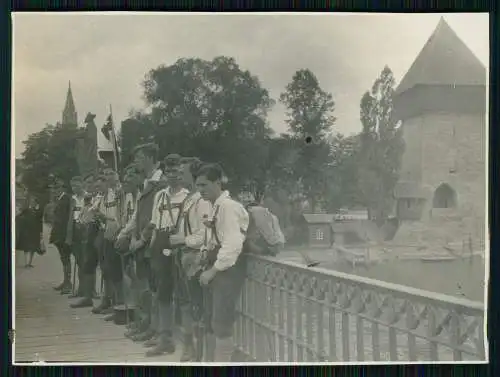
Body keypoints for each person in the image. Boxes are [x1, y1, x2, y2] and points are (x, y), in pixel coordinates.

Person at [195, 163, 249, 362]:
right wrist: (203, 252)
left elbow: (233, 244)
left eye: (205, 185)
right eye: (198, 185)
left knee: (221, 321)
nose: (201, 190)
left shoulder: (228, 206)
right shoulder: (214, 205)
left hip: (228, 269)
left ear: (218, 182)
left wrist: (213, 270)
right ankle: (209, 361)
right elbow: (213, 237)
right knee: (210, 317)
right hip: (216, 265)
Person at [162, 158, 212, 361]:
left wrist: (183, 239)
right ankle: (189, 346)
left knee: (196, 305)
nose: (179, 176)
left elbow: (205, 234)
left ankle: (200, 352)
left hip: (196, 259)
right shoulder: (190, 199)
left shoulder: (202, 201)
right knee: (185, 303)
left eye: (182, 173)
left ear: (194, 175)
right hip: (183, 257)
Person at [114, 143, 165, 340]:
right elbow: (137, 214)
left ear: (151, 158)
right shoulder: (146, 183)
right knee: (144, 287)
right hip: (141, 245)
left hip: (154, 244)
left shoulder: (161, 183)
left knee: (154, 289)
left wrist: (141, 238)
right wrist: (125, 234)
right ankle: (146, 324)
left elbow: (156, 218)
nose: (136, 161)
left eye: (140, 157)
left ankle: (155, 329)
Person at [145, 154, 191, 356]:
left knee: (183, 294)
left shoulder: (188, 196)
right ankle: (165, 339)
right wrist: (152, 246)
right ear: (164, 173)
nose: (173, 175)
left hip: (180, 242)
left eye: (177, 171)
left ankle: (189, 342)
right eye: (169, 171)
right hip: (161, 242)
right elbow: (155, 224)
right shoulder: (160, 196)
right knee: (163, 292)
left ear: (182, 174)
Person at [93, 168, 125, 320]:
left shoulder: (117, 193)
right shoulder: (101, 197)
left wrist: (103, 216)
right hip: (105, 233)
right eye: (104, 176)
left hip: (116, 233)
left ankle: (118, 303)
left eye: (108, 176)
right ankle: (108, 300)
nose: (106, 180)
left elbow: (116, 217)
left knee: (115, 271)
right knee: (106, 269)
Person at [70, 173, 105, 308]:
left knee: (104, 265)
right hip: (89, 231)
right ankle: (87, 296)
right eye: (88, 183)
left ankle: (108, 299)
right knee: (88, 263)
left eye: (93, 183)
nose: (91, 186)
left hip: (101, 229)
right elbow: (83, 215)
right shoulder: (88, 198)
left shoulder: (103, 196)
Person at [49, 178, 74, 294]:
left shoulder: (66, 198)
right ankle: (65, 281)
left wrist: (67, 235)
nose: (55, 190)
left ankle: (68, 283)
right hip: (58, 233)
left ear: (62, 188)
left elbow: (67, 218)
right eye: (54, 188)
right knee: (63, 258)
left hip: (64, 233)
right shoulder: (59, 199)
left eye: (57, 188)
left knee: (66, 257)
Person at [66, 176, 87, 298]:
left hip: (86, 229)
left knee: (87, 261)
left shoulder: (88, 197)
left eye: (77, 186)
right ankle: (81, 288)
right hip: (75, 230)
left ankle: (89, 289)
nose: (75, 188)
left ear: (82, 184)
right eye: (73, 186)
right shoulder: (72, 199)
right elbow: (70, 217)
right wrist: (69, 236)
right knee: (79, 261)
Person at [15, 196, 44, 268]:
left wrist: (41, 232)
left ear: (36, 203)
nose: (33, 203)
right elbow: (18, 216)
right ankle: (27, 264)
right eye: (32, 202)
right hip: (27, 232)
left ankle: (29, 263)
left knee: (33, 248)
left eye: (34, 202)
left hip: (35, 232)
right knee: (27, 248)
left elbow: (40, 222)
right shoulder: (27, 210)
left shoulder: (39, 211)